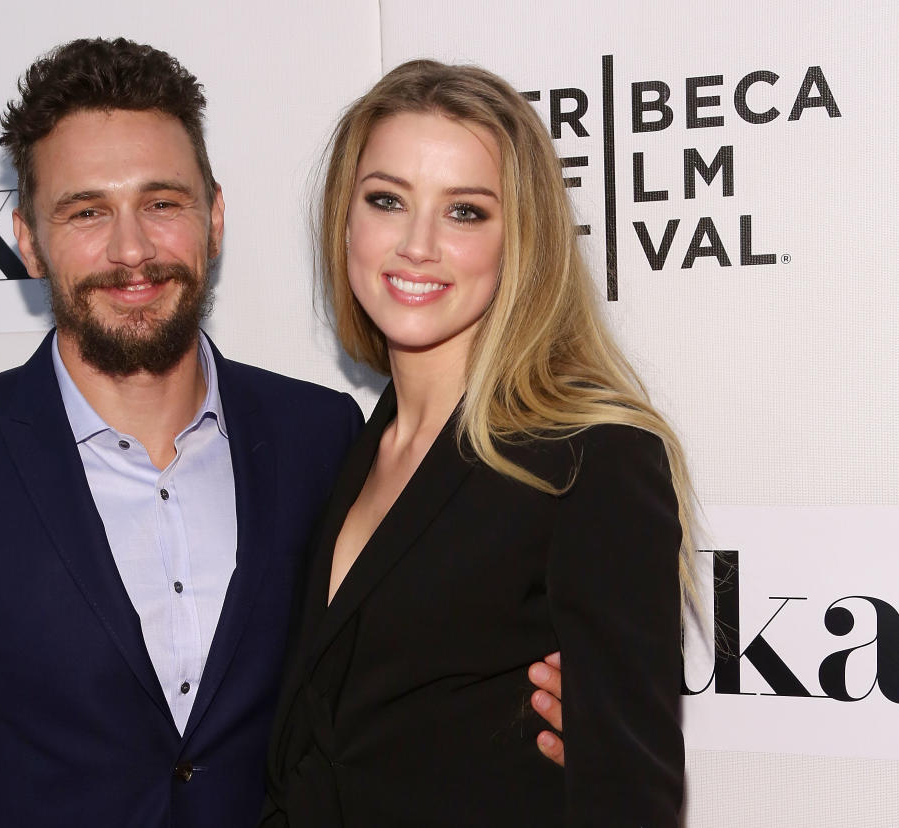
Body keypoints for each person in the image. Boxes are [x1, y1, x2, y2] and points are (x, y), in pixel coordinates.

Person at [0, 40, 566, 827]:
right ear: (28, 238)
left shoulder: (321, 437)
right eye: (87, 211)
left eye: (162, 203)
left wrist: (580, 712)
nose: (131, 249)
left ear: (214, 217)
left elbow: (399, 685)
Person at [263, 59, 694, 826]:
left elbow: (631, 796)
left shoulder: (590, 459)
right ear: (346, 218)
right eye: (387, 200)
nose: (417, 245)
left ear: (519, 237)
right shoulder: (348, 448)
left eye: (465, 212)